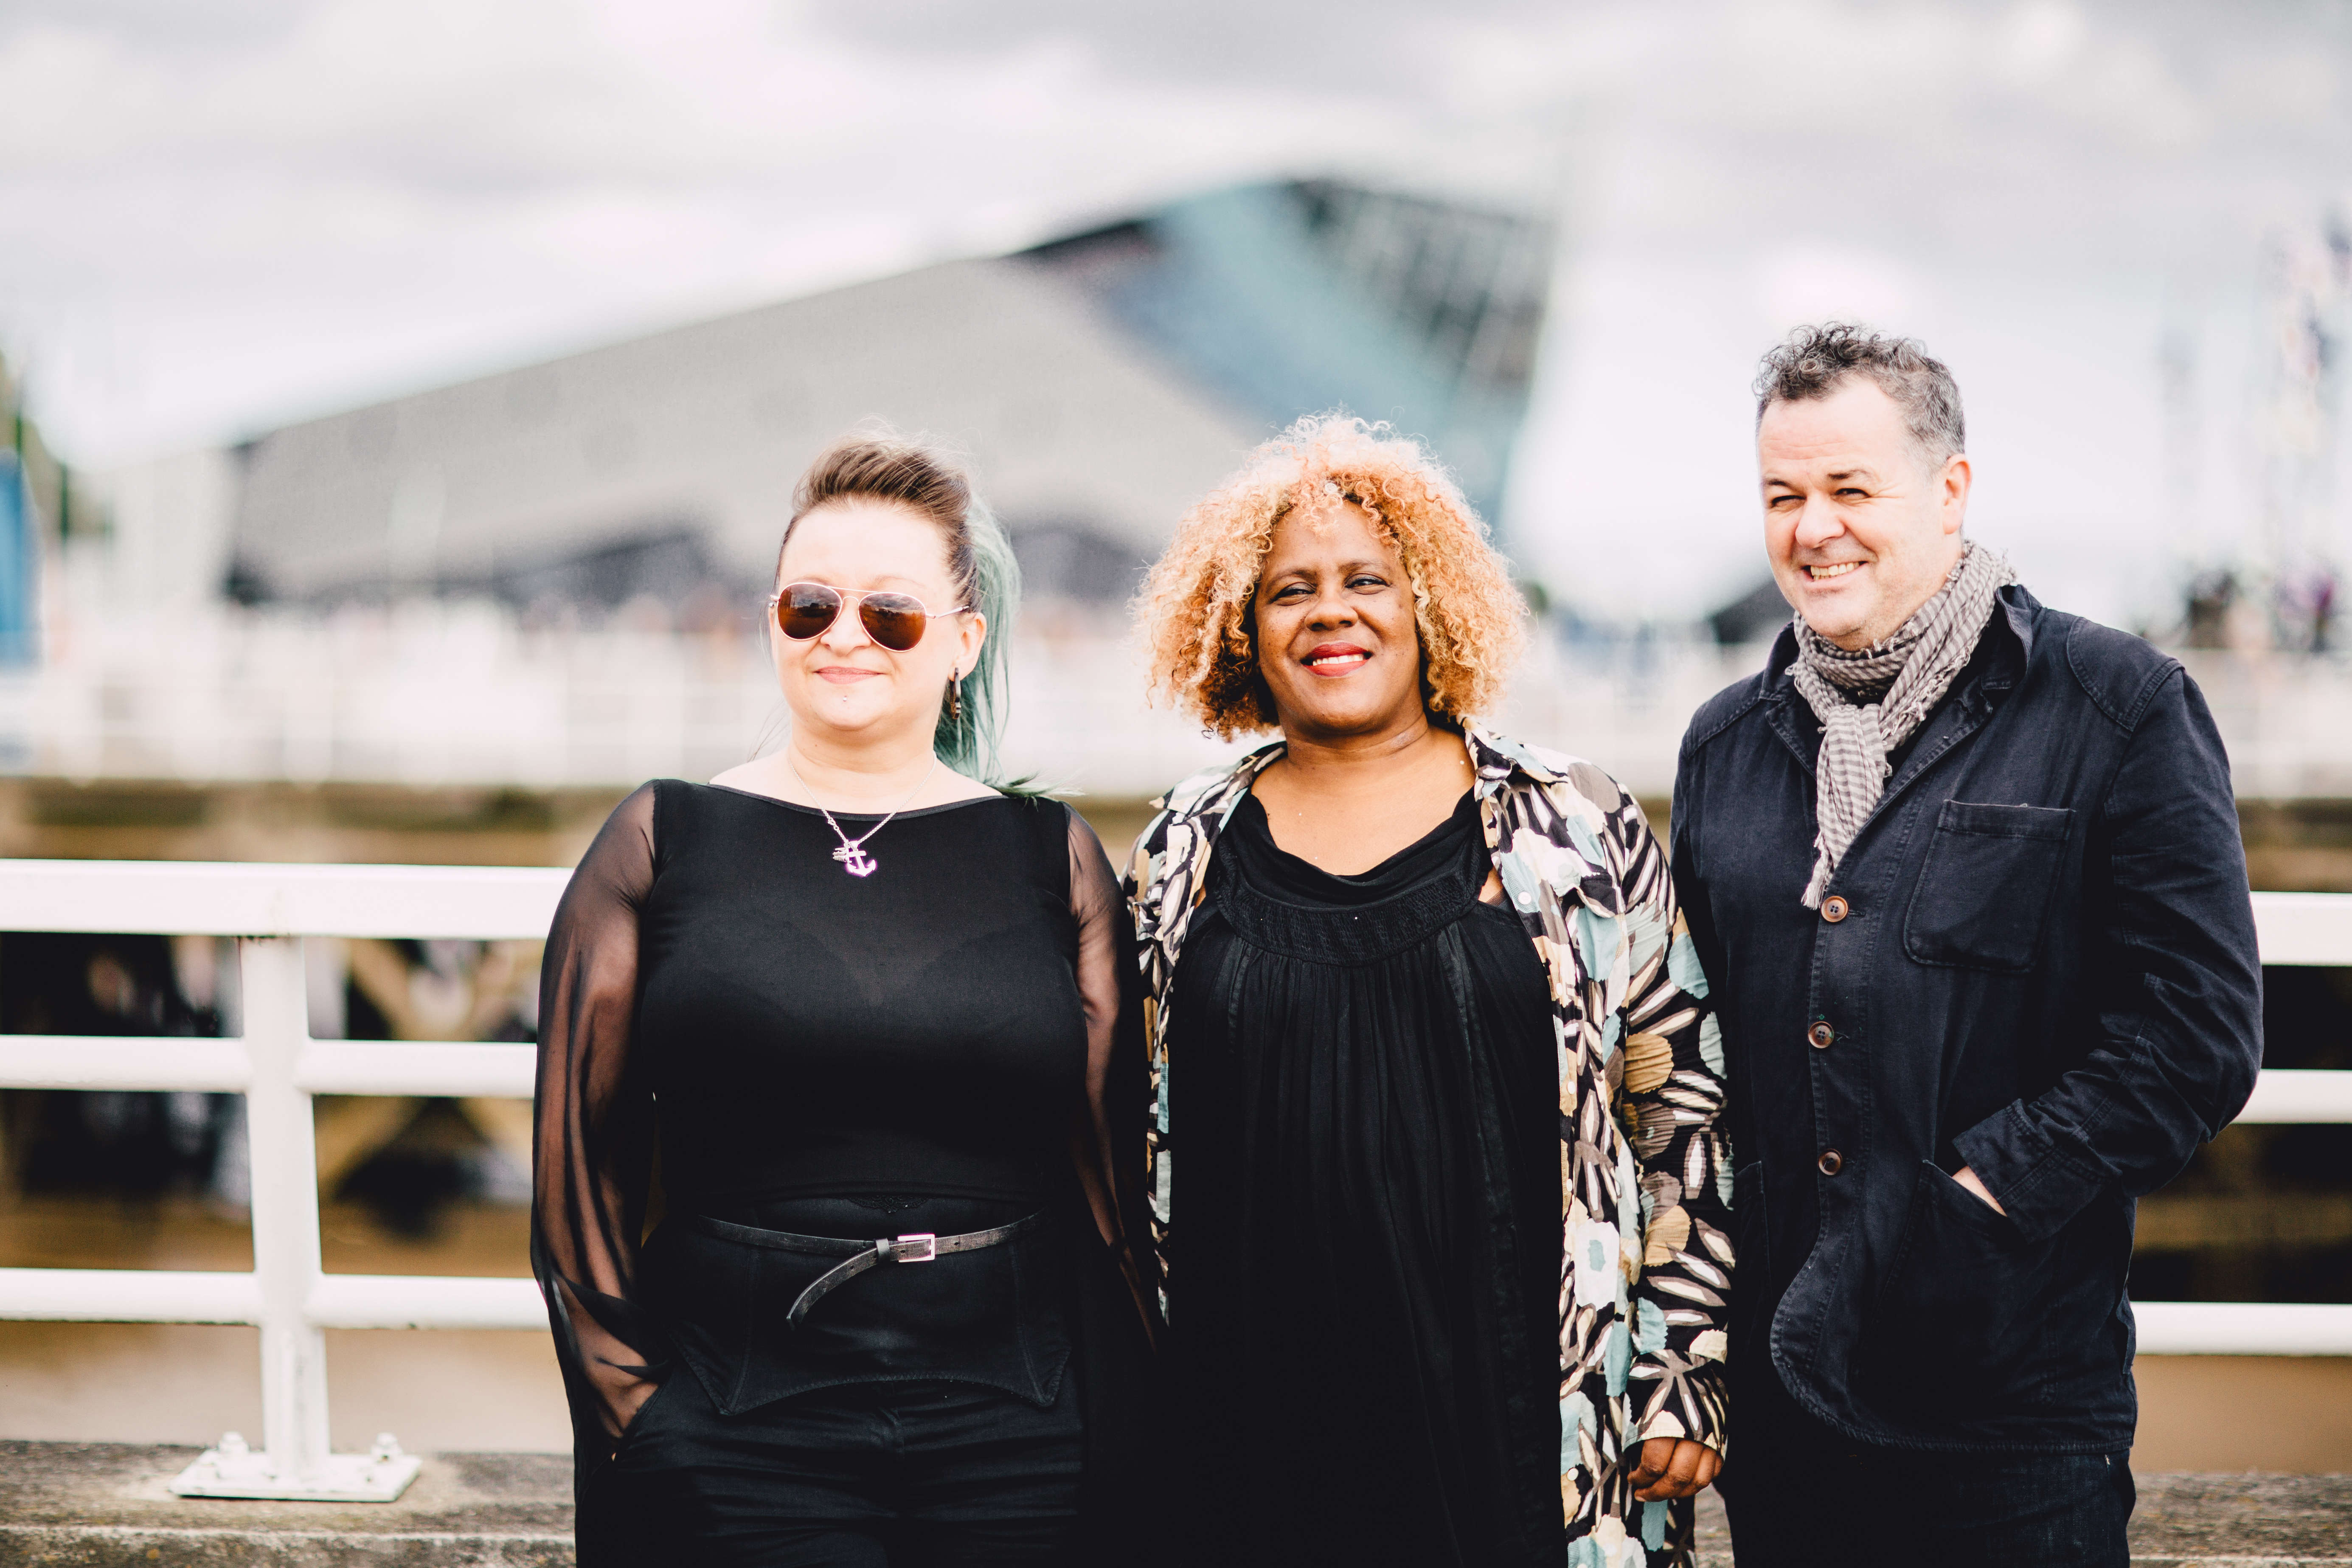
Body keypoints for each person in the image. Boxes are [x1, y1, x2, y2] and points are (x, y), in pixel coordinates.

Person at [1672, 325, 2264, 1568]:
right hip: (1784, 1408)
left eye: (1850, 489)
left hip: (2012, 1406)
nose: (1814, 529)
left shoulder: (2117, 708)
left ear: (1950, 490)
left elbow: (2196, 1035)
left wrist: (1978, 1203)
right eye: (1782, 496)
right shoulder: (1725, 747)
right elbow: (1693, 1055)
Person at [531, 434, 1159, 1567]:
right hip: (734, 1423)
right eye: (810, 606)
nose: (844, 636)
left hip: (1022, 1426)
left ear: (965, 642)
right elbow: (579, 1172)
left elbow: (1110, 1186)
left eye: (892, 614)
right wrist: (643, 1423)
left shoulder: (1051, 856)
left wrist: (1120, 1426)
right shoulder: (661, 839)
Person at [1124, 415, 1732, 1568]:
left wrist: (1683, 1370)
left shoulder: (1576, 827)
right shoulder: (1180, 849)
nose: (1331, 612)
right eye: (1290, 590)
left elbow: (1683, 1115)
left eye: (1368, 580)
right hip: (1249, 1436)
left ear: (1431, 604)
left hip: (1527, 1427)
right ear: (1241, 628)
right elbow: (1127, 1133)